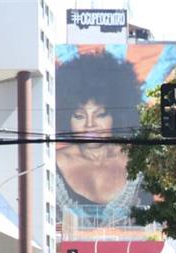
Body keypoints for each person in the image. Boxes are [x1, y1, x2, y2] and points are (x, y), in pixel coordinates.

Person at [55, 51, 150, 228]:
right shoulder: (50, 167)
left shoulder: (139, 162)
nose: (90, 125)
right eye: (79, 116)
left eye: (100, 115)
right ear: (66, 118)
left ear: (116, 116)